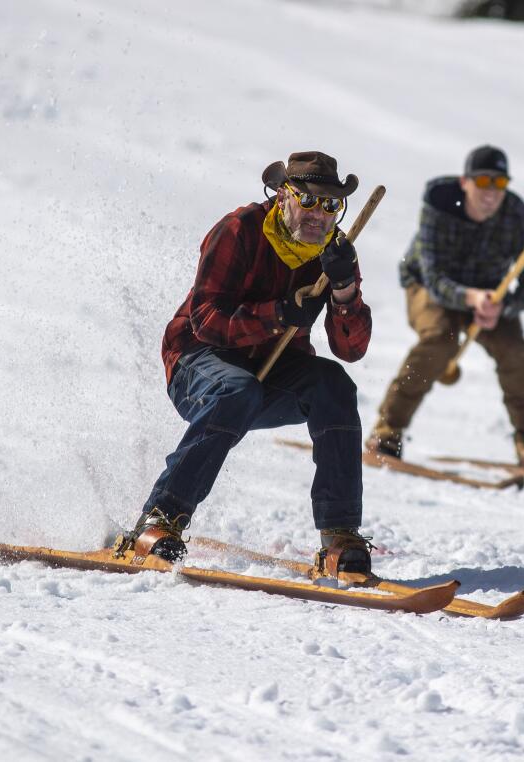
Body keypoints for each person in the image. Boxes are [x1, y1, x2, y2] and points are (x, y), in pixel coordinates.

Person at [119, 151, 375, 576]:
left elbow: (350, 348)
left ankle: (339, 536)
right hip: (198, 362)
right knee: (238, 390)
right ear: (282, 195)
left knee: (335, 386)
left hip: (274, 372)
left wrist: (345, 288)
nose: (320, 215)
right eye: (308, 201)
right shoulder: (238, 231)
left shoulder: (335, 252)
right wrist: (276, 314)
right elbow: (205, 321)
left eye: (332, 205)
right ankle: (158, 519)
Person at [366, 145, 524, 472]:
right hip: (429, 288)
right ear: (464, 182)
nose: (491, 192)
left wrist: (505, 306)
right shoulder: (439, 206)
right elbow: (432, 275)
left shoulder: (518, 216)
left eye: (499, 183)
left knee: (516, 352)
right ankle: (388, 429)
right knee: (440, 339)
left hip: (490, 298)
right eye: (483, 181)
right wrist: (471, 298)